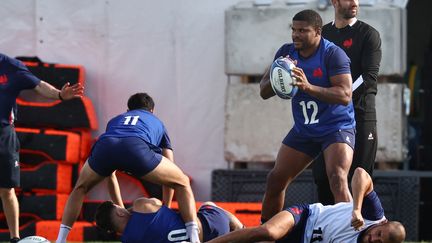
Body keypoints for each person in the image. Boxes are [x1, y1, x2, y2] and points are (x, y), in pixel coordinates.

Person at [56, 93, 201, 243]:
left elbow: (110, 174)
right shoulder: (157, 122)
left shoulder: (115, 120)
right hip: (135, 147)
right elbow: (170, 169)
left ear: (127, 110)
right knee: (182, 181)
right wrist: (166, 208)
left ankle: (61, 239)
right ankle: (194, 238)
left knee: (80, 188)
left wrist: (121, 209)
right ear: (152, 111)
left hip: (105, 145)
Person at [259, 9, 356, 222]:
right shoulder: (286, 53)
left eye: (302, 30)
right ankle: (266, 234)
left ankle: (349, 235)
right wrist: (279, 76)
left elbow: (345, 95)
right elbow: (263, 91)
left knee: (337, 178)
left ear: (318, 32)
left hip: (335, 127)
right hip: (305, 128)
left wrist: (307, 87)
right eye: (293, 30)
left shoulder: (333, 54)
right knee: (275, 179)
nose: (295, 35)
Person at [0, 53, 83, 243]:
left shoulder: (11, 66)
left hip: (3, 135)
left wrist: (60, 95)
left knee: (7, 189)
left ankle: (14, 238)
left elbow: (39, 85)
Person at [207, 167, 406, 243]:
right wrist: (356, 209)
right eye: (379, 234)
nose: (374, 239)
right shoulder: (373, 214)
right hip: (306, 216)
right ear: (383, 223)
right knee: (268, 232)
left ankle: (226, 218)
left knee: (256, 238)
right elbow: (361, 174)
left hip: (305, 241)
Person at [312, 0, 382, 205]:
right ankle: (328, 231)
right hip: (327, 119)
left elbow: (369, 77)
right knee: (324, 178)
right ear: (334, 2)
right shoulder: (322, 34)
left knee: (360, 177)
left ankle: (359, 231)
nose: (354, 2)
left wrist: (337, 94)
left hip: (360, 115)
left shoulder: (369, 34)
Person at [95, 197, 244, 243]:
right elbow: (158, 202)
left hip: (210, 240)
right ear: (120, 213)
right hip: (211, 225)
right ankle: (243, 230)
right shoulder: (141, 205)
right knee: (208, 205)